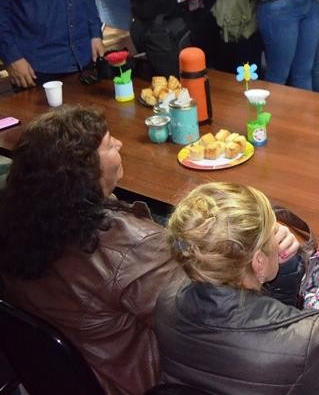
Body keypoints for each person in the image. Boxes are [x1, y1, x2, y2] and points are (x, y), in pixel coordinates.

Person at [0, 106, 183, 394]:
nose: (119, 144)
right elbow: (195, 324)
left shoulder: (18, 221)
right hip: (141, 383)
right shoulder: (134, 245)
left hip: (62, 378)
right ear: (83, 172)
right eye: (109, 144)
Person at [156, 182, 319, 393]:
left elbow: (262, 321)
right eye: (271, 233)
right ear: (258, 261)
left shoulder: (168, 298)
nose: (278, 235)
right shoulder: (307, 340)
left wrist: (284, 268)